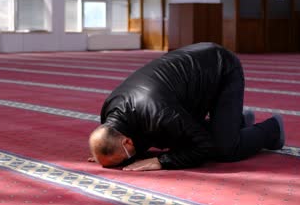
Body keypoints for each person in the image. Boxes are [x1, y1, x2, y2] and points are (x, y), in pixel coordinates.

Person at [88, 42, 285, 171]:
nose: (125, 162)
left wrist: (161, 161)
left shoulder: (159, 113)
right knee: (176, 139)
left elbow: (203, 145)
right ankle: (237, 121)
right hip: (188, 78)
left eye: (123, 160)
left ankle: (272, 129)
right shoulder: (110, 113)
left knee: (224, 148)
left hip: (221, 69)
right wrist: (105, 154)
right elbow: (116, 139)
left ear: (127, 143)